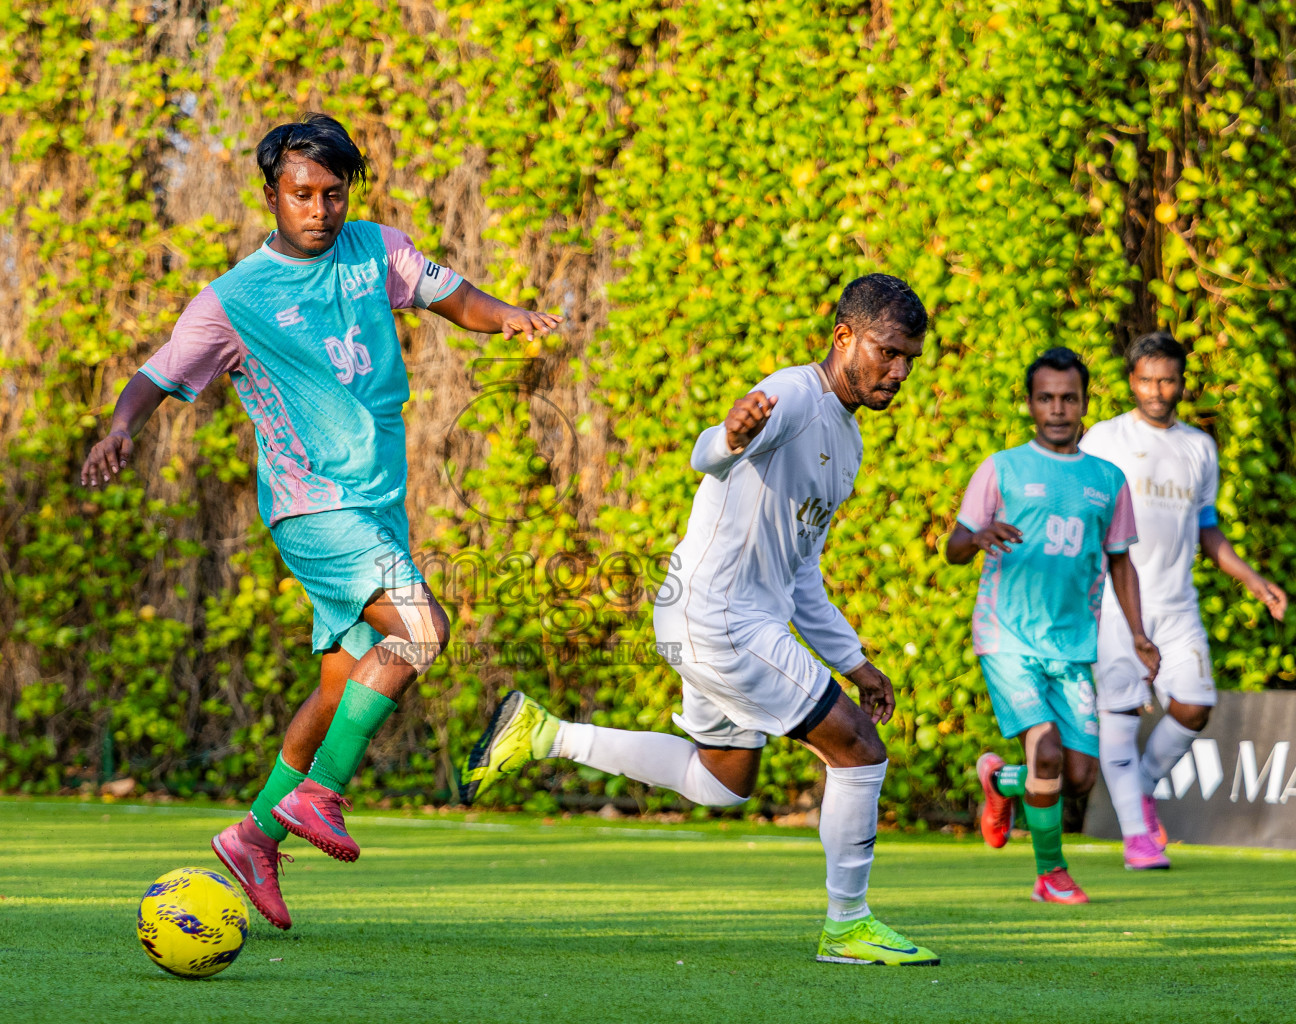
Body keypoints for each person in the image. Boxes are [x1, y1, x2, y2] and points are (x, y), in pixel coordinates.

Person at [80, 113, 561, 929]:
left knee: (347, 676)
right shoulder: (233, 299)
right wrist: (121, 427)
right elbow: (156, 375)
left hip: (376, 504)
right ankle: (320, 795)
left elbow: (457, 298)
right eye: (302, 193)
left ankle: (254, 835)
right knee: (424, 630)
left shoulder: (379, 250)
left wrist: (509, 314)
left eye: (333, 194)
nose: (319, 209)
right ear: (272, 193)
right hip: (313, 507)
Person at [462, 274, 939, 966]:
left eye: (909, 361)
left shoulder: (849, 443)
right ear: (844, 338)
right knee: (859, 748)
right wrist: (730, 432)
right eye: (887, 353)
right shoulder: (797, 395)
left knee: (721, 781)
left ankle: (545, 734)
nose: (898, 372)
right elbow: (707, 455)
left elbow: (803, 573)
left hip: (708, 618)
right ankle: (848, 927)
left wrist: (855, 661)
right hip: (723, 620)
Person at [947, 347, 1161, 905]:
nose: (1058, 409)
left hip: (1072, 647)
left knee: (1078, 775)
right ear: (1030, 404)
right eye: (1046, 398)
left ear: (1085, 404)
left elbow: (1120, 561)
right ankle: (1051, 875)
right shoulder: (1002, 468)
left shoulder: (1108, 481)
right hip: (1006, 636)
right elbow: (953, 547)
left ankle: (999, 782)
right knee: (1043, 747)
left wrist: (1138, 635)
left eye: (1069, 398)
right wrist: (977, 537)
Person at [1079, 331, 1287, 869]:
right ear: (1131, 381)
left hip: (1176, 606)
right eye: (1146, 379)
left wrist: (1253, 580)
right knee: (1120, 714)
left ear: (1181, 383)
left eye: (1166, 379)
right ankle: (1137, 840)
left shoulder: (1199, 447)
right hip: (1116, 606)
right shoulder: (1104, 439)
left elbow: (1208, 530)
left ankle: (1138, 792)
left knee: (1196, 705)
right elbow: (1081, 514)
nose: (1156, 389)